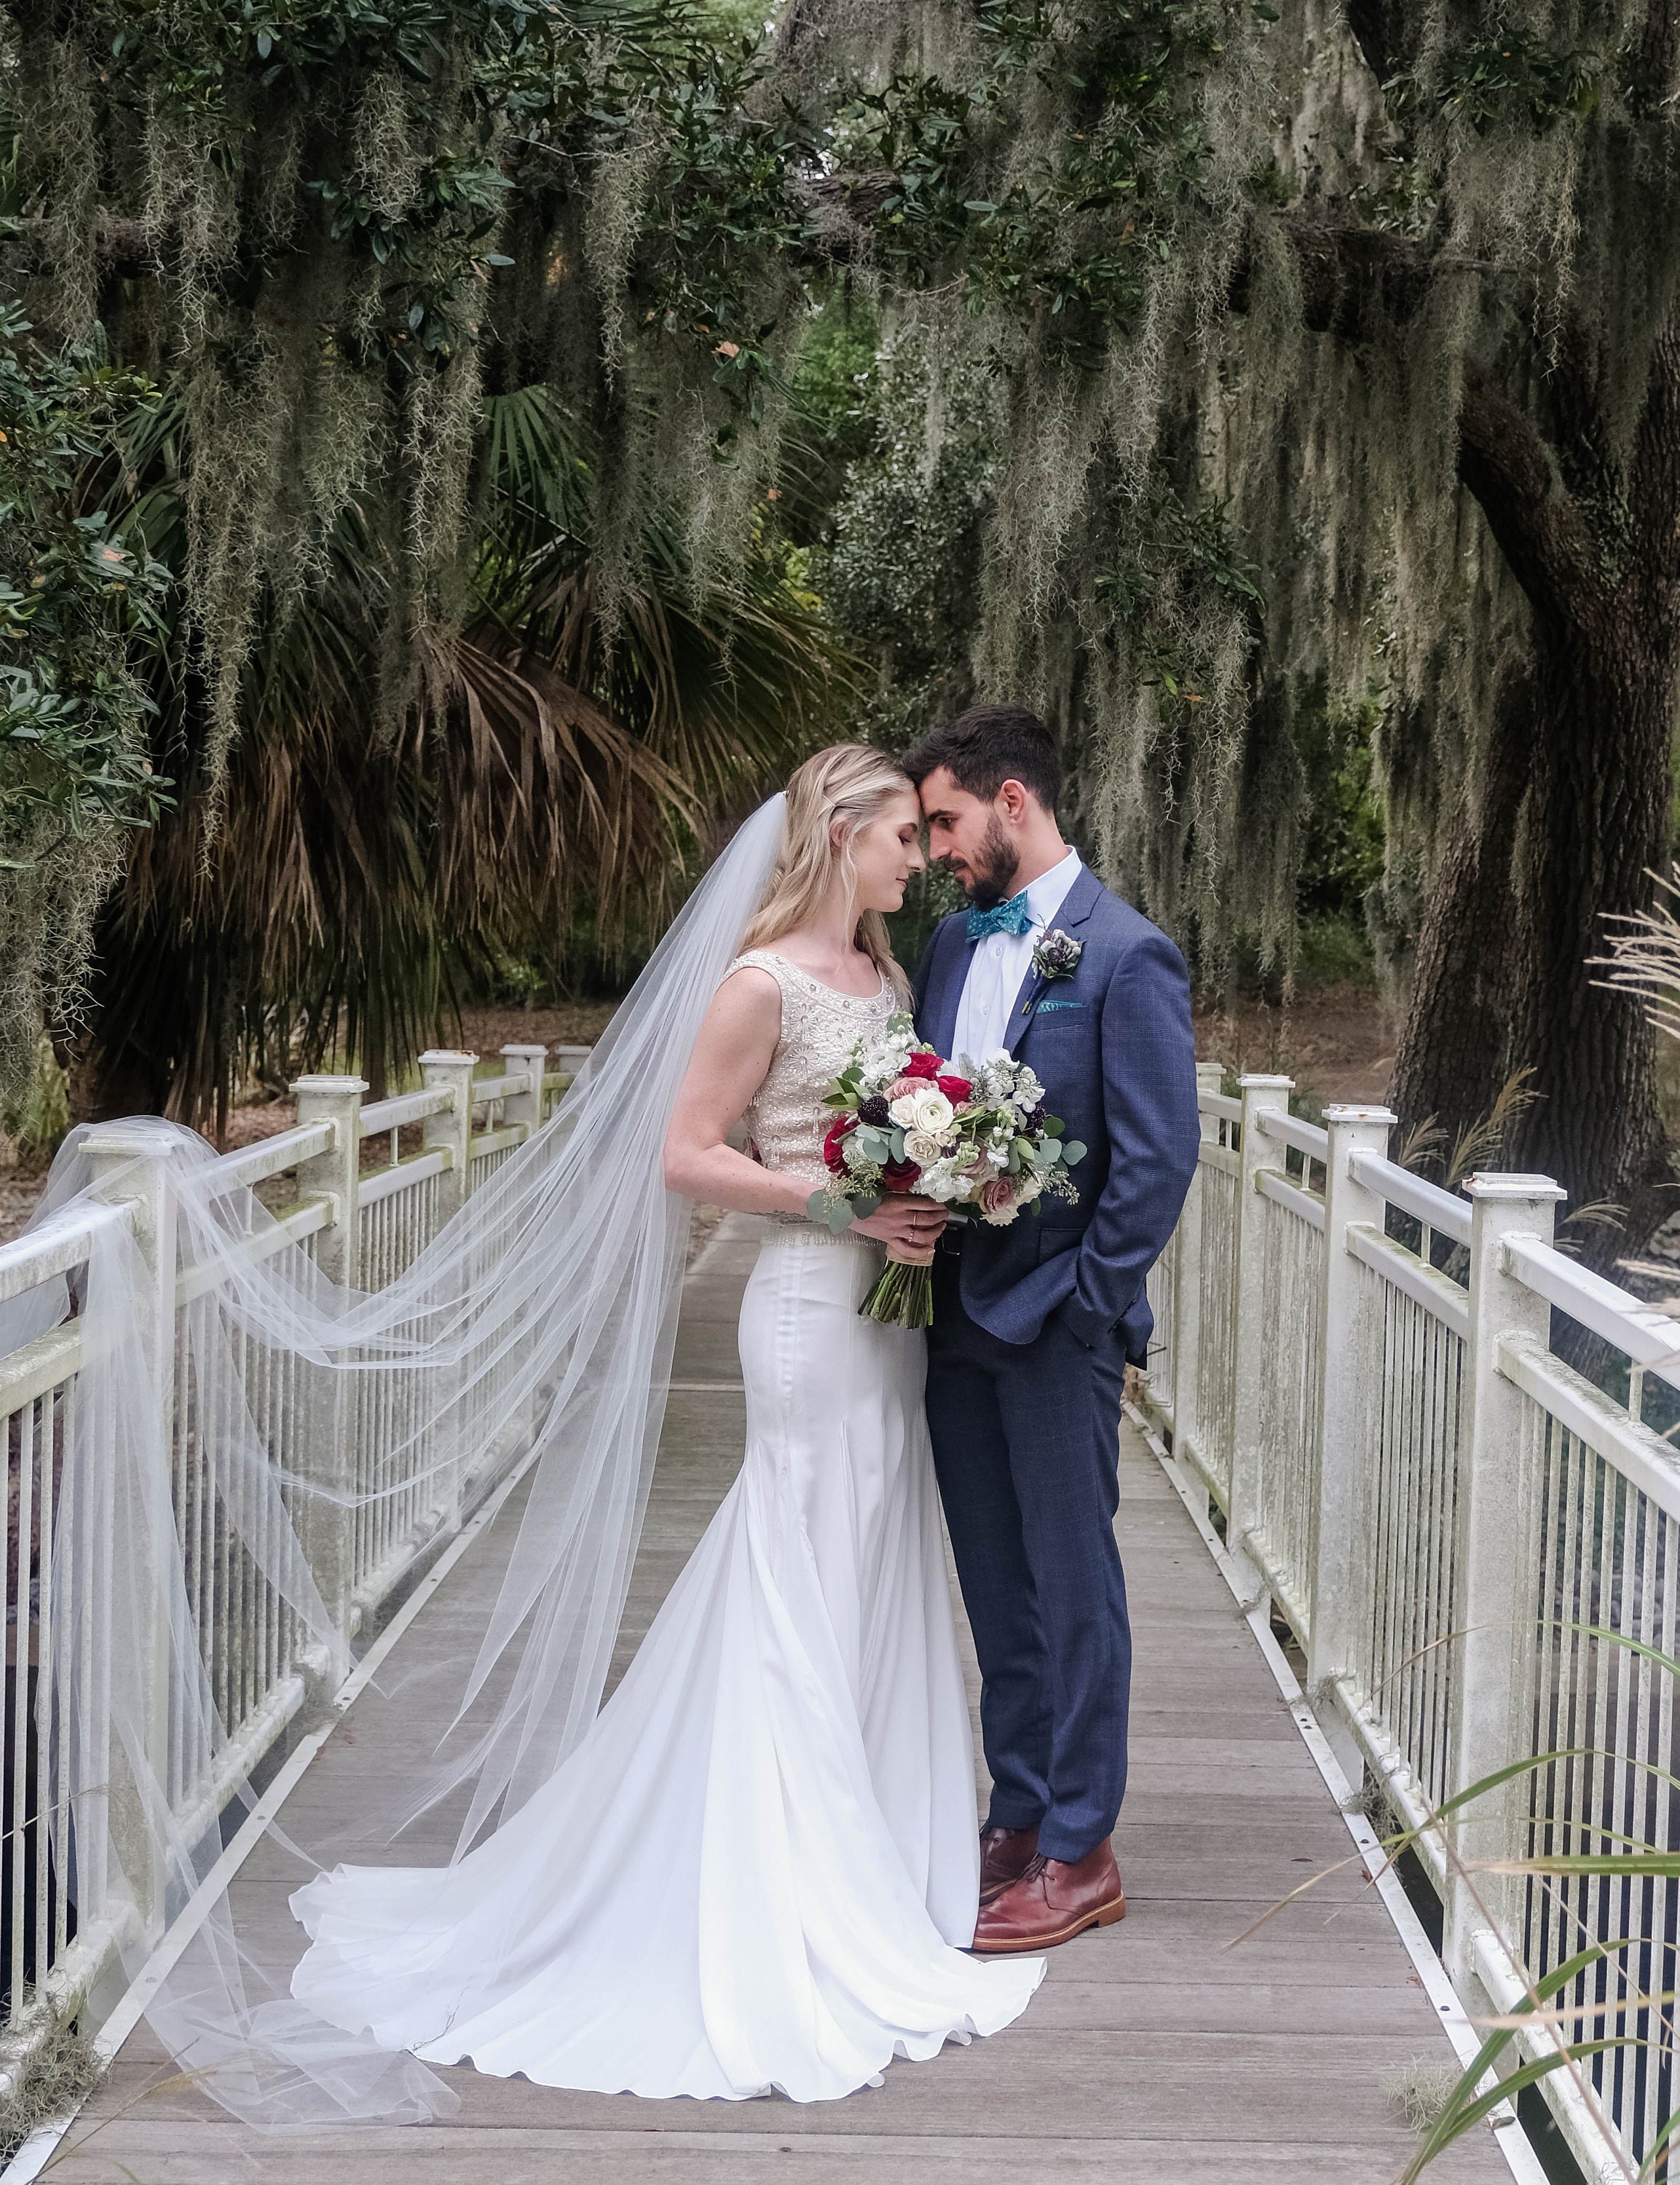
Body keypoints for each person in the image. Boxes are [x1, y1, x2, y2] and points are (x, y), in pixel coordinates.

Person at [287, 745, 1044, 2100]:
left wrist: (949, 1176)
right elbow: (686, 1151)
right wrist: (836, 1206)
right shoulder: (761, 984)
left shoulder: (889, 977)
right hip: (811, 1306)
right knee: (801, 1555)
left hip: (890, 1319)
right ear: (840, 836)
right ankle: (780, 1881)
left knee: (872, 1553)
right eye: (897, 838)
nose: (917, 860)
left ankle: (867, 1855)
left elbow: (897, 1121)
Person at [907, 703, 1200, 1955]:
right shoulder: (950, 947)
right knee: (997, 1586)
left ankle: (1083, 1847)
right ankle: (1018, 1814)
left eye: (946, 822)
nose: (934, 849)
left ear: (1012, 802)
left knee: (1074, 1588)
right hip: (951, 1321)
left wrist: (1085, 1301)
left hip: (1058, 1324)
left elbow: (1156, 1159)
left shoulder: (1127, 955)